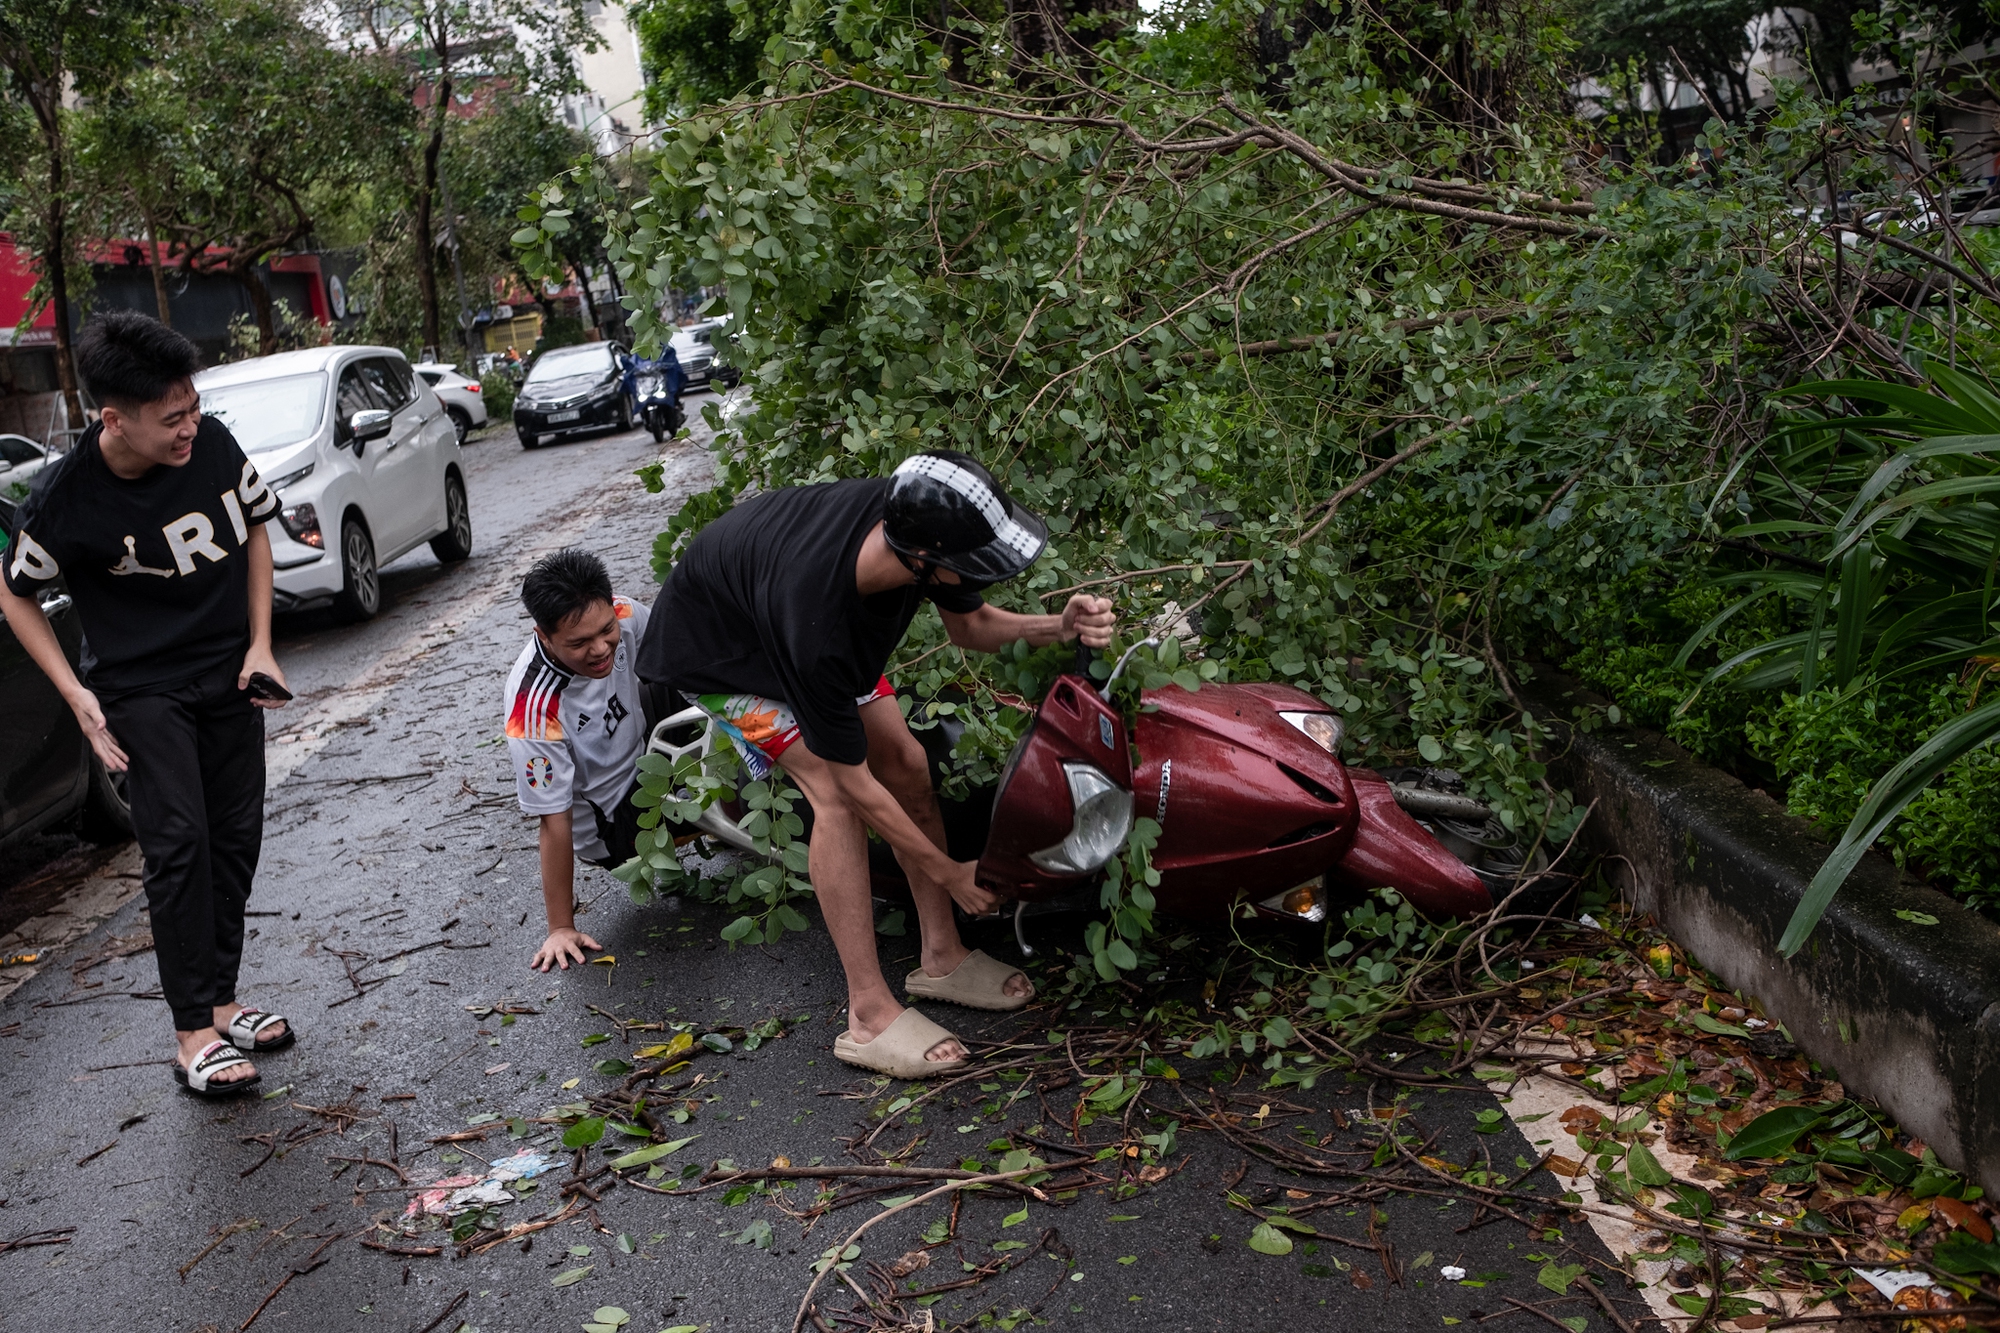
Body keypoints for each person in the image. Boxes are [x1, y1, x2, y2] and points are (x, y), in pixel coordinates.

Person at [637, 450, 1115, 1080]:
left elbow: (971, 627)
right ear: (921, 563)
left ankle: (941, 955)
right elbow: (858, 787)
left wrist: (1061, 627)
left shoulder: (922, 520)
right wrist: (948, 871)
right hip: (721, 652)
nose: (982, 576)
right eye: (972, 569)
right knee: (835, 796)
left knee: (908, 762)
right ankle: (867, 1014)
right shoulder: (818, 620)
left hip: (786, 616)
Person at [0, 311, 291, 1097]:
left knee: (235, 836)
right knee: (180, 844)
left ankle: (224, 998)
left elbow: (257, 528)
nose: (191, 426)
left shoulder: (215, 446)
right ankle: (192, 1030)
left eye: (194, 407)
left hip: (229, 669)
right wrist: (77, 695)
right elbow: (16, 591)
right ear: (114, 418)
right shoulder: (67, 498)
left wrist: (261, 642)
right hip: (140, 686)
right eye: (173, 418)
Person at [505, 548, 651, 972]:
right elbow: (553, 819)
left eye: (606, 630)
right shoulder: (533, 708)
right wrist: (560, 927)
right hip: (613, 823)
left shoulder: (622, 613)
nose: (602, 647)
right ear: (544, 635)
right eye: (580, 643)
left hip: (645, 755)